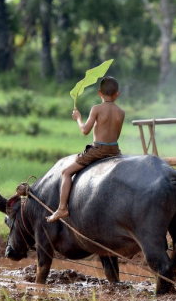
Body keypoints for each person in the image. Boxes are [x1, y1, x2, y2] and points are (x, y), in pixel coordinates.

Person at [46, 76, 125, 223]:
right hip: (114, 150)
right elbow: (117, 135)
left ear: (99, 93)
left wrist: (78, 118)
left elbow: (84, 130)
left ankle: (62, 208)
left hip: (98, 150)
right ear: (117, 94)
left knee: (66, 172)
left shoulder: (96, 109)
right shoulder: (121, 112)